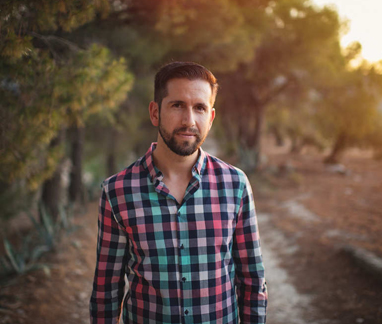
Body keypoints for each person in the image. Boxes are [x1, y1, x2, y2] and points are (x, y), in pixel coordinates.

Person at [90, 61, 268, 323]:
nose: (189, 120)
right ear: (155, 113)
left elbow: (253, 282)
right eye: (177, 105)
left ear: (211, 117)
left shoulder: (235, 184)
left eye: (199, 108)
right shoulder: (117, 191)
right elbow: (106, 291)